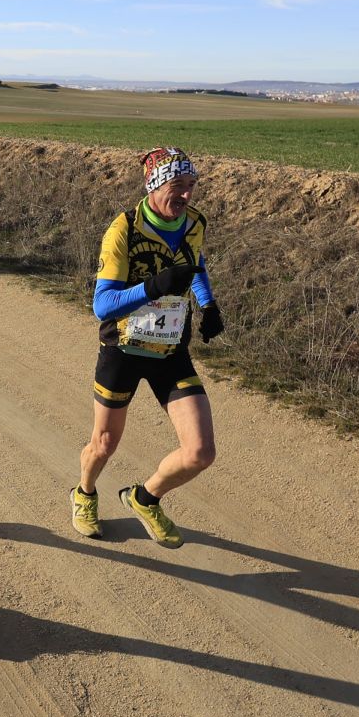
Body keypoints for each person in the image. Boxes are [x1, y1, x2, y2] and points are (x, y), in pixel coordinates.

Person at [73, 146, 224, 547]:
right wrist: (155, 286)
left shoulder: (194, 222)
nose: (188, 195)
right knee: (103, 444)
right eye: (178, 186)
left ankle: (145, 497)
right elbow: (101, 306)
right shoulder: (124, 229)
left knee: (200, 452)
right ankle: (85, 492)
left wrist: (207, 304)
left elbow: (195, 264)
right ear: (155, 185)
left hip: (170, 350)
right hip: (122, 348)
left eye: (192, 186)